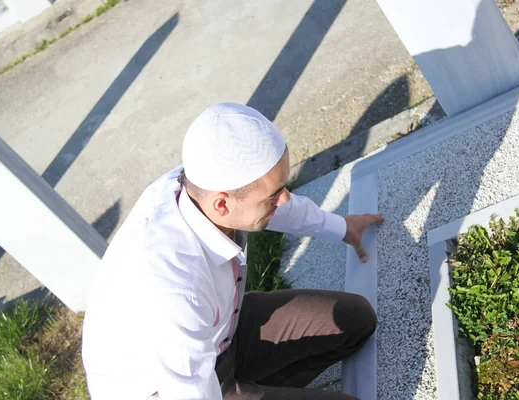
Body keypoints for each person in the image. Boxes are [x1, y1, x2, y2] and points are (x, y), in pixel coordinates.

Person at [82, 103, 384, 399]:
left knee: (356, 319)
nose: (284, 200)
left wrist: (342, 227)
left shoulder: (205, 184)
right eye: (273, 196)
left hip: (221, 336)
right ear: (222, 204)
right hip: (170, 387)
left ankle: (252, 388)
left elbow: (280, 207)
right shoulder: (173, 288)